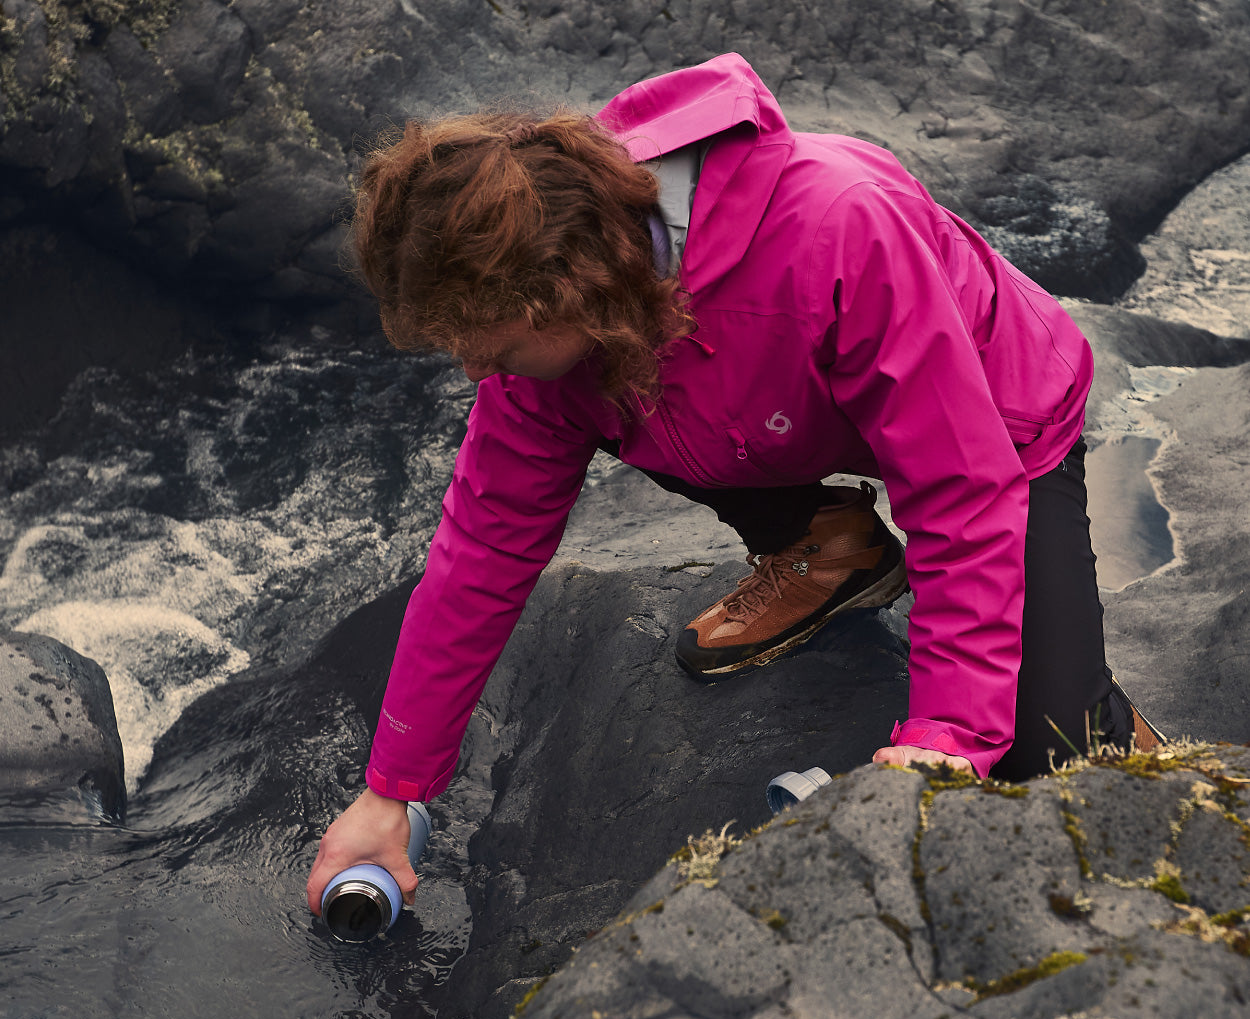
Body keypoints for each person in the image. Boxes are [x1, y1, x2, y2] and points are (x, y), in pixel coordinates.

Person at [305, 53, 1160, 916]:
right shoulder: (562, 323)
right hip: (770, 412)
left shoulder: (838, 226)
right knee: (610, 394)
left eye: (489, 346)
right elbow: (483, 549)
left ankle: (1108, 722)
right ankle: (831, 547)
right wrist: (393, 789)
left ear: (570, 287)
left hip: (995, 419)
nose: (474, 369)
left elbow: (959, 493)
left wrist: (947, 739)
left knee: (1047, 756)